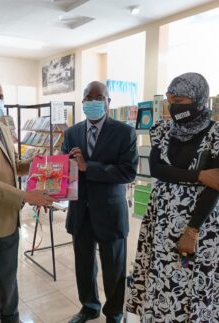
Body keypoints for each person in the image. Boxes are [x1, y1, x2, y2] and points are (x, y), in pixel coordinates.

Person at [127, 73, 219, 322]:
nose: (174, 103)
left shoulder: (216, 134)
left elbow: (216, 185)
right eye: (170, 97)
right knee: (161, 277)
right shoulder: (162, 130)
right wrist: (199, 175)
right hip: (161, 220)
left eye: (181, 98)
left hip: (199, 223)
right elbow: (157, 169)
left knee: (192, 282)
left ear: (199, 99)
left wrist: (192, 231)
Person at [0, 78, 55, 323]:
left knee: (9, 279)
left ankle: (11, 318)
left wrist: (39, 163)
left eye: (0, 96)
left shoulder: (2, 126)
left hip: (10, 218)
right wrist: (27, 195)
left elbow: (13, 166)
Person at [61, 81, 138, 323]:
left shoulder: (125, 132)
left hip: (110, 212)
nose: (93, 102)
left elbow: (128, 172)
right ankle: (89, 306)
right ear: (82, 102)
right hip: (80, 211)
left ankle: (114, 312)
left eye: (99, 97)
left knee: (114, 267)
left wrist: (88, 167)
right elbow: (64, 171)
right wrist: (49, 189)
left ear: (108, 102)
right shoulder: (71, 133)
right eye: (88, 97)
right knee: (84, 265)